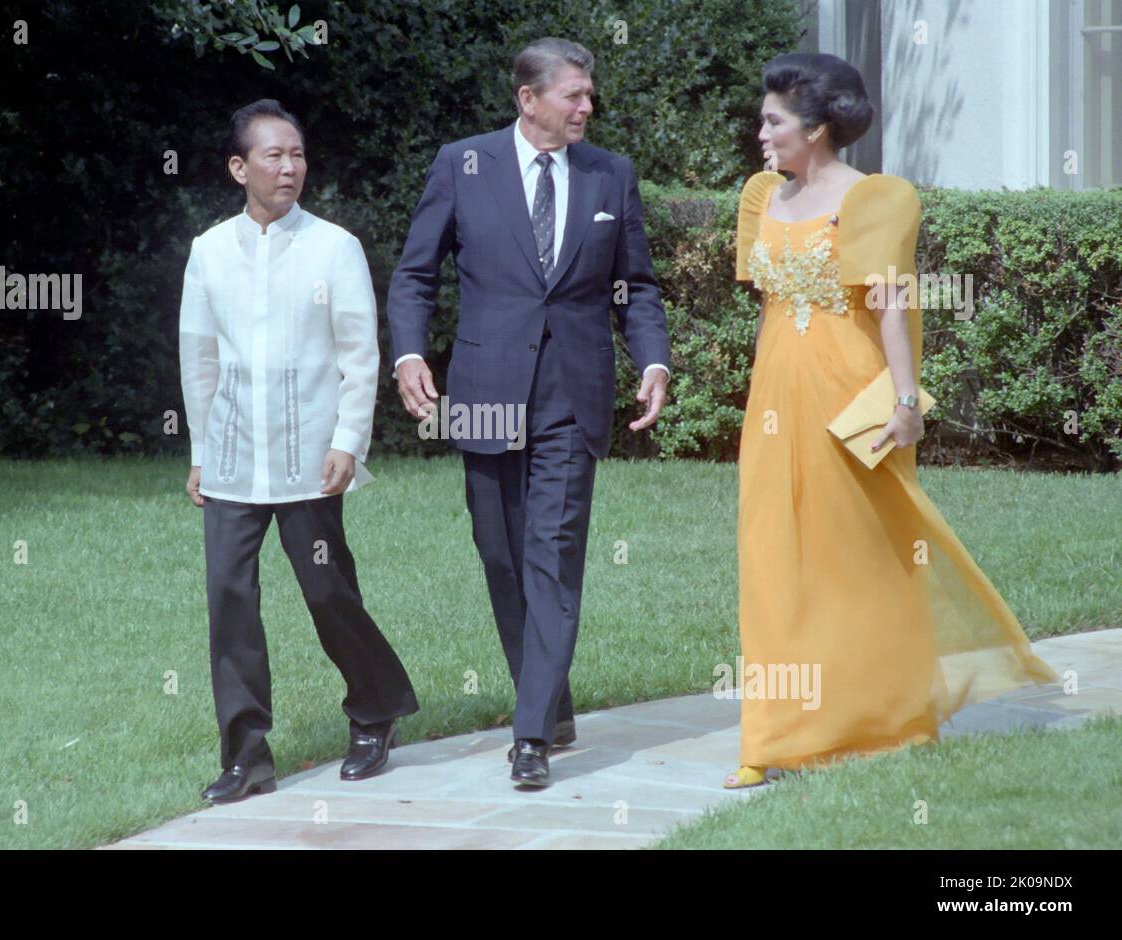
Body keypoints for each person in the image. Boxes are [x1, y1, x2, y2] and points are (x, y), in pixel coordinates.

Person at [727, 53, 1057, 788]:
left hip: (852, 396)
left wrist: (907, 405)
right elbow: (768, 313)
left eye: (773, 120)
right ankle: (771, 737)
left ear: (815, 128)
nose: (760, 132)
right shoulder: (761, 198)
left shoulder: (876, 199)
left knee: (865, 559)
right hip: (776, 399)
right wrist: (758, 401)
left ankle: (888, 718)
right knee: (772, 559)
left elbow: (891, 305)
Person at [387, 38, 671, 788]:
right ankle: (553, 699)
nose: (587, 107)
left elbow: (636, 285)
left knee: (551, 555)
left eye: (589, 95)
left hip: (571, 396)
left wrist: (653, 360)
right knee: (501, 553)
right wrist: (409, 354)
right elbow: (415, 273)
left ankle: (531, 734)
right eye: (573, 95)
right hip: (482, 391)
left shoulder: (612, 173)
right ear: (528, 99)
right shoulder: (463, 163)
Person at [179, 99, 419, 803]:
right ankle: (245, 755)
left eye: (298, 155)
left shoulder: (333, 246)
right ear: (238, 167)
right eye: (273, 156)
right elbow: (198, 359)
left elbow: (358, 353)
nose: (290, 168)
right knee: (228, 599)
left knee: (326, 590)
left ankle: (376, 709)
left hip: (311, 456)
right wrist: (199, 451)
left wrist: (349, 440)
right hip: (229, 461)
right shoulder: (209, 250)